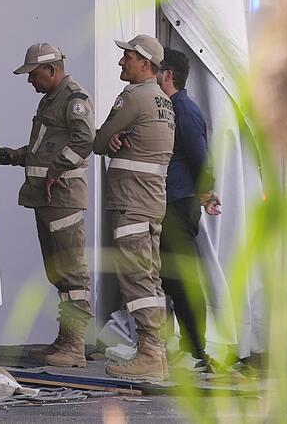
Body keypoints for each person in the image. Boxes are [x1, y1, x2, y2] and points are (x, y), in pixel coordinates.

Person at [0, 43, 95, 367]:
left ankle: (75, 345)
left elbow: (84, 140)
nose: (30, 82)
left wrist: (56, 171)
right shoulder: (50, 101)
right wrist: (16, 155)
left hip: (63, 199)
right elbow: (46, 147)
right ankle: (65, 340)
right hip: (46, 199)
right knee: (58, 272)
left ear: (51, 70)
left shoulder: (73, 99)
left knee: (73, 273)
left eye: (33, 75)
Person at [94, 34, 175, 381]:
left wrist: (108, 141)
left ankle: (150, 355)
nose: (120, 62)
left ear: (144, 63)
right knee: (150, 276)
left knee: (136, 277)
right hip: (152, 201)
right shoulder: (163, 101)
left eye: (127, 57)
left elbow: (98, 141)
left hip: (131, 201)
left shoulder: (134, 96)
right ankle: (156, 351)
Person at [156, 48, 221, 371]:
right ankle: (182, 347)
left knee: (183, 279)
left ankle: (195, 351)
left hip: (178, 207)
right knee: (171, 279)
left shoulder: (184, 110)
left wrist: (207, 194)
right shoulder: (170, 108)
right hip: (169, 205)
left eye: (157, 68)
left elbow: (201, 158)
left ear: (167, 75)